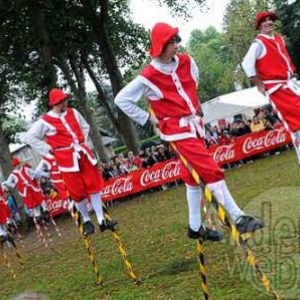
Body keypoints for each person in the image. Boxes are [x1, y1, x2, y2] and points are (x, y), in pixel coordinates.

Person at [114, 22, 264, 240]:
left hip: (195, 126)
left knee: (191, 177)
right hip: (176, 131)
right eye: (172, 41)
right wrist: (148, 119)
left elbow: (194, 81)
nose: (177, 45)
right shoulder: (149, 75)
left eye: (177, 40)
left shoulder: (187, 61)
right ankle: (239, 217)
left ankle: (195, 226)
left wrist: (194, 106)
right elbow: (122, 99)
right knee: (210, 170)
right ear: (161, 45)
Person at [25, 88, 117, 235]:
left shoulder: (73, 112)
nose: (65, 103)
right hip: (66, 161)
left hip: (83, 155)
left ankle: (102, 220)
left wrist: (81, 141)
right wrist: (48, 149)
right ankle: (87, 221)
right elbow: (30, 137)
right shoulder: (45, 121)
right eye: (62, 102)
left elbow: (85, 126)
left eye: (65, 100)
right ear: (55, 103)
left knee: (94, 186)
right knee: (77, 192)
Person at [242, 11, 300, 164]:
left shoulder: (278, 39)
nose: (268, 22)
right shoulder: (259, 43)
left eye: (270, 20)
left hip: (290, 84)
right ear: (259, 25)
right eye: (265, 21)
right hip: (277, 87)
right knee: (297, 123)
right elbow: (247, 64)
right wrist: (259, 84)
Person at [3, 157, 51, 225]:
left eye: (18, 164)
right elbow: (8, 182)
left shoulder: (25, 169)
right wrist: (15, 185)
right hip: (25, 191)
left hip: (32, 188)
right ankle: (38, 216)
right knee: (32, 204)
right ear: (14, 166)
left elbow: (34, 173)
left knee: (39, 199)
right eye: (16, 165)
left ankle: (45, 211)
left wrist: (40, 177)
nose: (17, 166)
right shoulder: (13, 174)